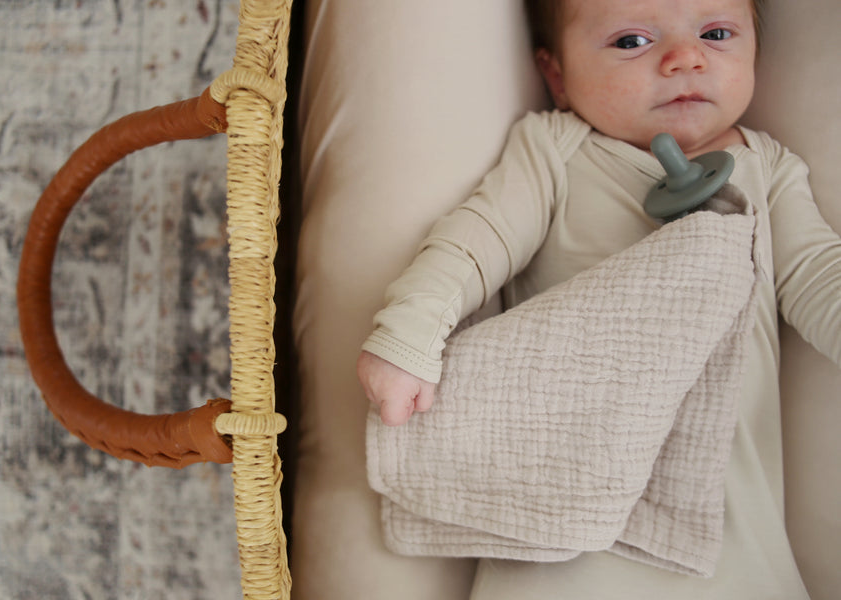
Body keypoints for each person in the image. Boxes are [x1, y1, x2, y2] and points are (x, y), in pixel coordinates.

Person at [358, 0, 839, 595]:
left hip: (730, 536)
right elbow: (475, 241)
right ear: (557, 76)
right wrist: (410, 331)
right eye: (632, 41)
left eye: (716, 34)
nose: (685, 58)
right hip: (566, 522)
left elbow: (817, 274)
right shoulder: (557, 150)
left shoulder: (766, 167)